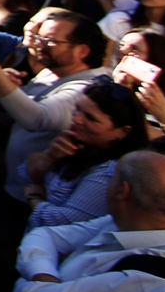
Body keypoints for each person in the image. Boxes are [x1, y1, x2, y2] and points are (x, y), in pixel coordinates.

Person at [0, 10, 108, 212]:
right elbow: (22, 108)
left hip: (32, 199)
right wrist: (4, 83)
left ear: (82, 51)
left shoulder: (88, 88)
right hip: (12, 184)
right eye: (41, 38)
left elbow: (36, 118)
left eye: (50, 41)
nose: (39, 44)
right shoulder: (50, 72)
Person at [23, 77, 153, 227]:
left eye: (91, 118)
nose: (77, 119)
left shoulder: (111, 172)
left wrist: (35, 199)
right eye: (78, 109)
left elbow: (64, 223)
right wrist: (49, 158)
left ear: (123, 132)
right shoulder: (78, 142)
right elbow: (27, 172)